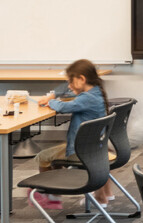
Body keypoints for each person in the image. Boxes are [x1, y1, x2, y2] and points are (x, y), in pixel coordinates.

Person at [32, 59, 109, 208]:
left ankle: (52, 196)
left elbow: (64, 107)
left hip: (81, 151)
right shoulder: (97, 92)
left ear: (82, 79)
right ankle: (100, 196)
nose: (69, 85)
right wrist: (54, 95)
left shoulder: (86, 98)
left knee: (43, 157)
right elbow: (67, 95)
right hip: (96, 147)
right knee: (55, 155)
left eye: (71, 81)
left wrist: (50, 101)